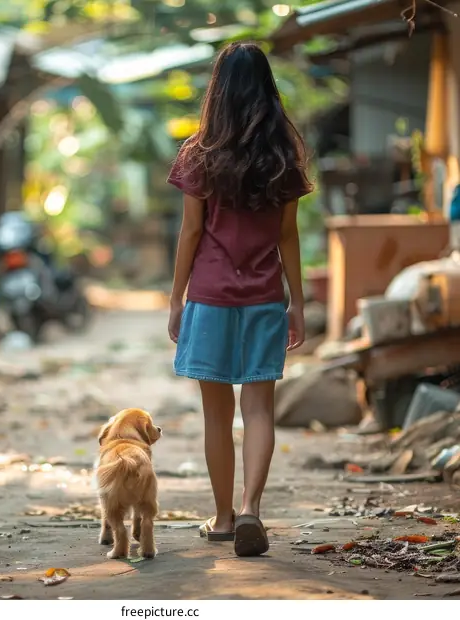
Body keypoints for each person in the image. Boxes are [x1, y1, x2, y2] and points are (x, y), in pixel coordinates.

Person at [166, 42, 313, 557]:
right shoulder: (283, 159)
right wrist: (297, 302)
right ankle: (252, 508)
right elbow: (289, 236)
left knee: (215, 415)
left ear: (218, 91)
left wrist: (176, 298)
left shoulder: (199, 153)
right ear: (268, 91)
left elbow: (189, 233)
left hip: (209, 297)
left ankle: (224, 518)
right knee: (259, 410)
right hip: (264, 296)